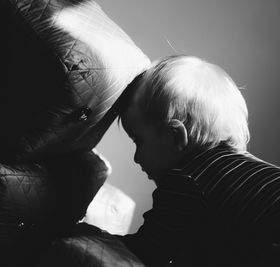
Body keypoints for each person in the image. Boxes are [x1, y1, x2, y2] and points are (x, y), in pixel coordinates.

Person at [116, 55, 280, 267]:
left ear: (175, 136)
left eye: (139, 141)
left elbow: (146, 251)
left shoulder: (187, 179)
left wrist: (89, 236)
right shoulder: (242, 172)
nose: (136, 158)